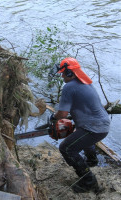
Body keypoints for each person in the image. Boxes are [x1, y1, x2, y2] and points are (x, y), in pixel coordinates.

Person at [49, 57, 110, 193]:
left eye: (64, 73)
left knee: (66, 148)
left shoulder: (69, 87)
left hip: (94, 128)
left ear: (70, 73)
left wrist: (53, 118)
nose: (62, 76)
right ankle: (92, 161)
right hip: (103, 124)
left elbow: (62, 114)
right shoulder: (86, 83)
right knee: (81, 134)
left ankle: (89, 181)